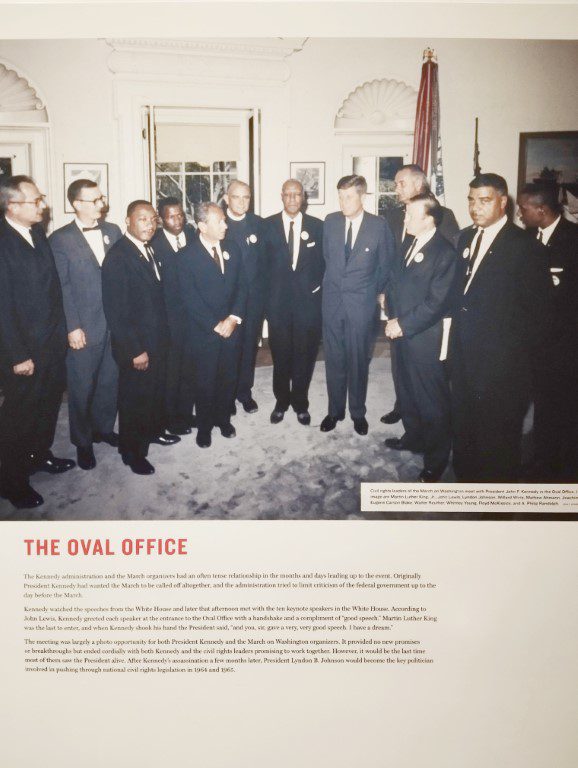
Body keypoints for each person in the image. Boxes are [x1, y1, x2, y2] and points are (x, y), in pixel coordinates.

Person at [448, 173, 551, 482]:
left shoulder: (525, 247)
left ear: (503, 202)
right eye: (470, 200)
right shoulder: (466, 237)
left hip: (501, 364)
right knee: (465, 421)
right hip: (465, 354)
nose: (475, 207)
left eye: (484, 200)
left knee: (499, 434)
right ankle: (467, 478)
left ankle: (497, 502)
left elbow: (539, 317)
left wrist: (514, 364)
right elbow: (460, 294)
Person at [0, 175, 74, 509]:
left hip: (50, 344)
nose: (43, 205)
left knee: (46, 408)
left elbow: (51, 290)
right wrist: (18, 355)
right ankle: (11, 481)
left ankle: (39, 455)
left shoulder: (36, 233)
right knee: (19, 417)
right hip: (23, 352)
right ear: (12, 206)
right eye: (36, 200)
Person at [101, 200, 179, 476]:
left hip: (156, 340)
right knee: (134, 400)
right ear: (128, 221)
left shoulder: (148, 250)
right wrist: (135, 351)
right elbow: (117, 313)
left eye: (152, 220)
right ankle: (131, 452)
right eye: (142, 219)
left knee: (155, 392)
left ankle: (154, 431)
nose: (149, 224)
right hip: (136, 347)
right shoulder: (118, 257)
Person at [384, 193, 458, 482]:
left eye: (410, 215)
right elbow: (396, 280)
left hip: (425, 337)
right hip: (400, 331)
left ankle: (436, 461)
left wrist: (401, 324)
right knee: (406, 391)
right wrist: (389, 309)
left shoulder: (444, 253)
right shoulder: (409, 242)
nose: (405, 219)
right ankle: (413, 437)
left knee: (431, 399)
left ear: (429, 219)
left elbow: (436, 303)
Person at [49, 179, 122, 470]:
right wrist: (72, 326)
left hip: (113, 322)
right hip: (83, 326)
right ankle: (82, 441)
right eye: (94, 200)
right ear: (77, 204)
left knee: (109, 380)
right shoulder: (59, 239)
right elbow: (62, 287)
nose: (101, 204)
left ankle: (103, 428)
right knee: (81, 386)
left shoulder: (113, 231)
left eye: (101, 198)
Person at [381, 163, 460, 426]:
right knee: (401, 370)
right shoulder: (394, 217)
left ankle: (431, 442)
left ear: (418, 184)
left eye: (401, 183)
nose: (396, 188)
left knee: (427, 383)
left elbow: (444, 276)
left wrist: (408, 319)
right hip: (398, 310)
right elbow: (394, 263)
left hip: (426, 321)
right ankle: (403, 409)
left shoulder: (443, 218)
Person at [321, 174, 395, 435]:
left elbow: (385, 267)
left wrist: (369, 293)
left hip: (361, 306)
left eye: (349, 196)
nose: (343, 202)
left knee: (357, 360)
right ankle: (334, 411)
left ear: (362, 196)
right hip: (332, 303)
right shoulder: (330, 222)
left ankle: (358, 412)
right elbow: (327, 259)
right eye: (340, 196)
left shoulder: (379, 226)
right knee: (334, 359)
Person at [517, 183, 578, 480]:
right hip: (535, 343)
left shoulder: (573, 240)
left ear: (541, 210)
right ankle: (542, 455)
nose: (519, 214)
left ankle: (559, 467)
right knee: (542, 401)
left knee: (562, 405)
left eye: (523, 209)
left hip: (565, 344)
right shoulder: (527, 238)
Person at [176, 202, 246, 448]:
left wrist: (233, 318)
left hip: (232, 329)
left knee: (228, 377)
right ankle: (204, 427)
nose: (226, 225)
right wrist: (215, 325)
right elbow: (188, 298)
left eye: (225, 221)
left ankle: (223, 420)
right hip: (203, 333)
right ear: (203, 226)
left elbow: (241, 286)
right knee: (205, 382)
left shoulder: (233, 249)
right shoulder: (185, 257)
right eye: (220, 222)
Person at [263, 179, 324, 425]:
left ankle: (300, 402)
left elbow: (325, 264)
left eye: (296, 194)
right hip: (277, 305)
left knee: (304, 355)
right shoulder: (266, 226)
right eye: (287, 194)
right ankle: (281, 400)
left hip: (307, 305)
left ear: (303, 198)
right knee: (281, 355)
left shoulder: (318, 227)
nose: (291, 199)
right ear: (281, 196)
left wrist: (317, 289)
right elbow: (260, 268)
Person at [150, 197, 196, 435]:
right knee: (171, 373)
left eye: (180, 215)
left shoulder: (193, 234)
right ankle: (171, 419)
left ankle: (187, 414)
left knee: (190, 369)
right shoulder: (153, 243)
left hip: (192, 318)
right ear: (160, 219)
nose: (177, 220)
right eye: (171, 216)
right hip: (167, 320)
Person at [223, 181, 268, 414]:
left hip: (253, 302)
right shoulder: (218, 224)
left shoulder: (259, 225)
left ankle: (244, 392)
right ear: (226, 198)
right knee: (229, 349)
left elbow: (266, 264)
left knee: (249, 348)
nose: (242, 202)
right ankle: (227, 395)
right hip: (227, 302)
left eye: (246, 197)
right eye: (237, 197)